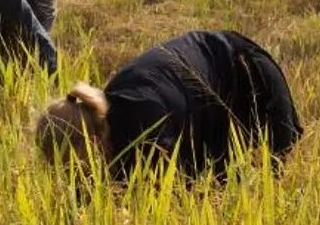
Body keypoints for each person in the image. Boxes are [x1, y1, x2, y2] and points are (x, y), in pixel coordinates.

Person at [34, 30, 301, 181]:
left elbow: (185, 190)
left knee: (268, 178)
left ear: (92, 144)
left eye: (73, 167)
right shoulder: (110, 112)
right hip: (208, 98)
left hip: (249, 75)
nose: (75, 177)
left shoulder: (145, 128)